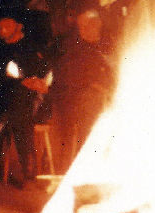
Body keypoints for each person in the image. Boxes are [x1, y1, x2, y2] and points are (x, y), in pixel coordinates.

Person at [0, 10, 52, 185]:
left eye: (7, 25)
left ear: (19, 26)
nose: (3, 30)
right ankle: (21, 168)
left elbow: (47, 73)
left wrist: (40, 83)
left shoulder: (32, 48)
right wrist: (19, 82)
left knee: (19, 103)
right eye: (0, 26)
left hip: (31, 102)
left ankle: (25, 168)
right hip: (6, 101)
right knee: (11, 102)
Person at [49, 9, 115, 168]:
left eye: (91, 25)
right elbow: (68, 76)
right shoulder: (72, 47)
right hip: (75, 100)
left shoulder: (106, 44)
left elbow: (112, 71)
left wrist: (107, 88)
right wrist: (94, 85)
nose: (84, 29)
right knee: (89, 107)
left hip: (104, 97)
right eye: (83, 26)